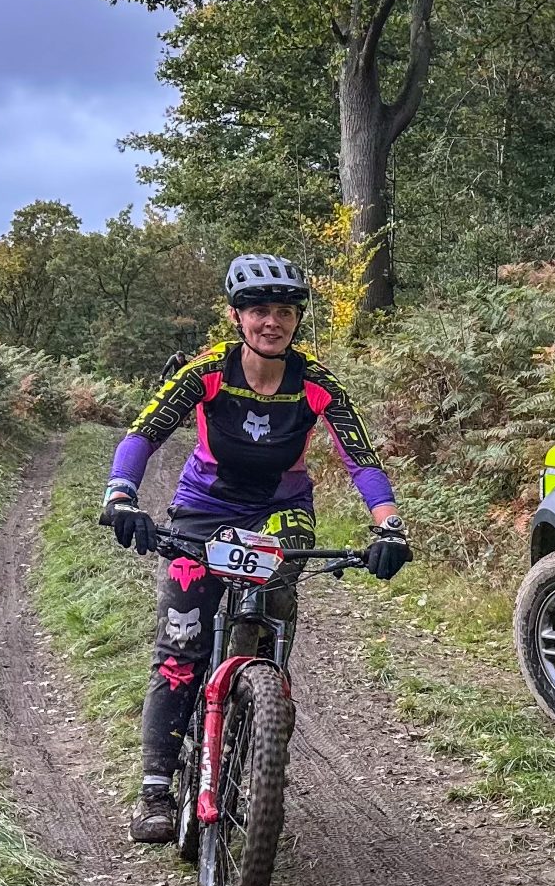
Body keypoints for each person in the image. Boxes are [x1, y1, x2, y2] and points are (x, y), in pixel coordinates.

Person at [99, 253, 413, 843]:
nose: (273, 323)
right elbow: (143, 434)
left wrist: (389, 526)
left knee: (270, 612)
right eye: (260, 311)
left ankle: (261, 713)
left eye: (286, 313)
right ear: (237, 317)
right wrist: (121, 495)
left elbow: (362, 460)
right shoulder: (206, 372)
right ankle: (154, 790)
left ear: (297, 320)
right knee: (180, 648)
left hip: (282, 510)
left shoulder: (316, 383)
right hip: (203, 509)